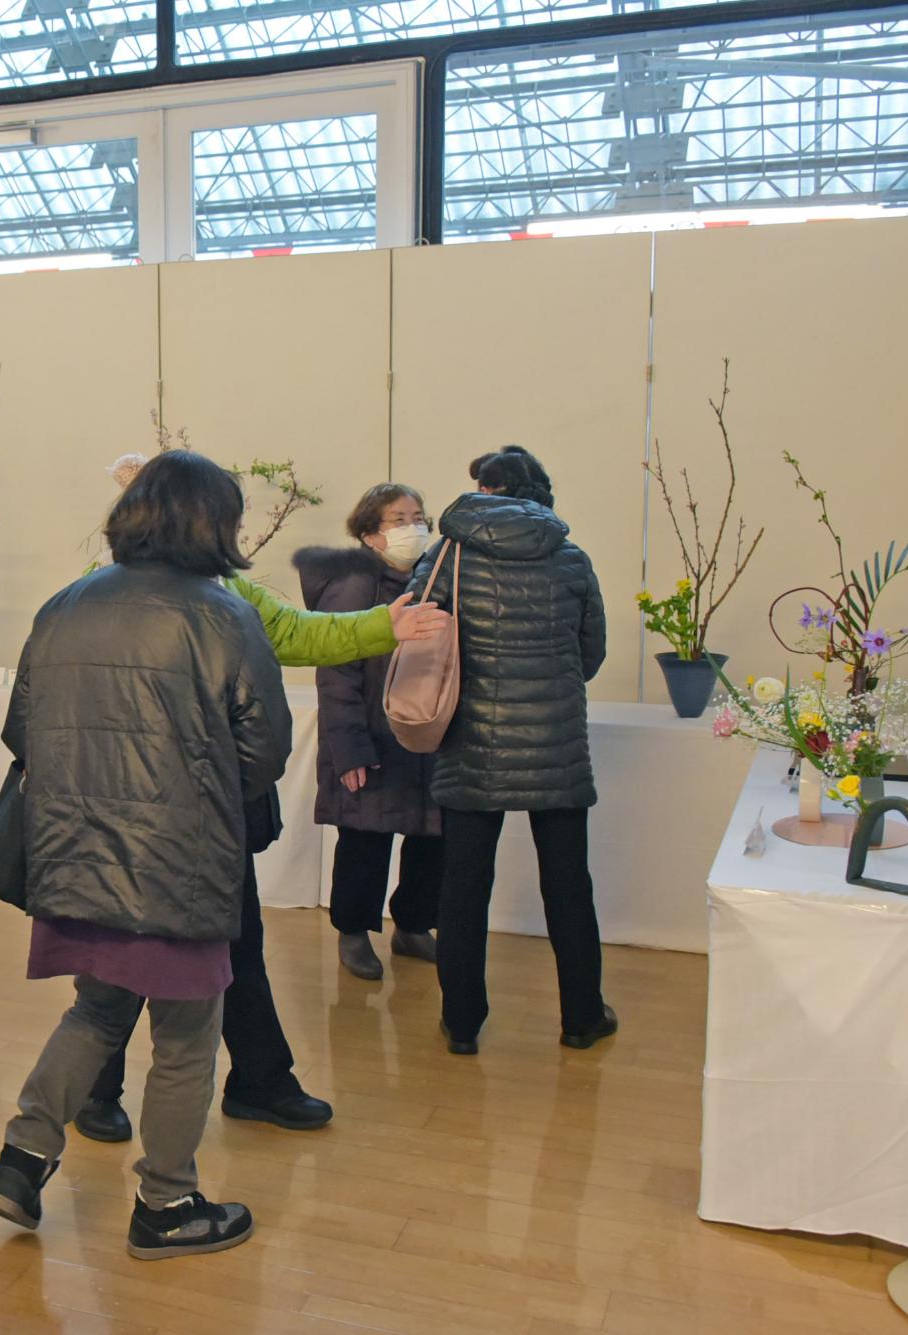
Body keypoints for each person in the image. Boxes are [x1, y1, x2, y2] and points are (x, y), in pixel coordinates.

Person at [0, 450, 289, 1260]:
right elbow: (265, 751)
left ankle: (20, 1158)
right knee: (186, 1035)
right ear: (211, 523)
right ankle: (167, 1202)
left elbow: (22, 732)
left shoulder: (64, 605)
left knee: (99, 1008)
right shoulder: (226, 618)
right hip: (178, 862)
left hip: (77, 852)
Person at [71, 504, 451, 1144]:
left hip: (209, 810)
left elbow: (297, 633)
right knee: (124, 954)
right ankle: (96, 1090)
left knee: (239, 943)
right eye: (222, 518)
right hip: (127, 808)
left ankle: (260, 1081)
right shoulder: (97, 596)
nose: (230, 533)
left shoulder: (228, 589)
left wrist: (383, 626)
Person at [412, 446, 613, 1055]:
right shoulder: (571, 559)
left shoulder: (447, 555)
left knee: (465, 885)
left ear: (483, 490)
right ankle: (581, 1017)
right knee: (569, 883)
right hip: (556, 744)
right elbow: (591, 656)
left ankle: (463, 1023)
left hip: (472, 742)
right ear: (540, 493)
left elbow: (417, 636)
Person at [294, 484, 445, 981]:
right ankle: (354, 932)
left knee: (430, 837)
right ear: (369, 534)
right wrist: (351, 751)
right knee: (365, 839)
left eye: (419, 517)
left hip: (423, 731)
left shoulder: (433, 578)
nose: (413, 528)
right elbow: (335, 676)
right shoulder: (353, 586)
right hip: (370, 736)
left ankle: (414, 926)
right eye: (398, 519)